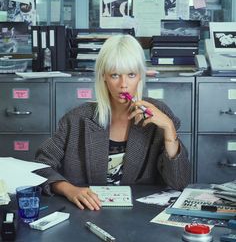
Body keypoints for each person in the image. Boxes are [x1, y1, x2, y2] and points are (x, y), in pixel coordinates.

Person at [35, 34, 191, 211]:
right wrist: (69, 189)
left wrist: (170, 130)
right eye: (115, 75)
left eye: (131, 75)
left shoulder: (159, 115)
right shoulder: (77, 119)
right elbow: (40, 166)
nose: (123, 85)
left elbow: (179, 182)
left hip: (139, 216)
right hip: (88, 212)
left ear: (140, 76)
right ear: (103, 77)